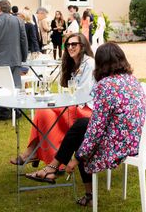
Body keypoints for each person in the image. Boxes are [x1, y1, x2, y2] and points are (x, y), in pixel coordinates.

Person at [26, 42, 146, 207]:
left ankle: (67, 178)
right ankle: (53, 167)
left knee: (84, 137)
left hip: (120, 145)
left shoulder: (105, 86)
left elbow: (96, 131)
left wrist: (77, 158)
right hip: (136, 139)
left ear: (100, 63)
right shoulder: (132, 80)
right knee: (82, 124)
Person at [10, 33, 95, 166]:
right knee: (44, 112)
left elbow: (83, 94)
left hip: (87, 110)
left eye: (74, 44)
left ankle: (33, 152)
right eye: (68, 45)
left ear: (83, 46)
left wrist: (63, 100)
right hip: (76, 105)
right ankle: (40, 154)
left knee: (47, 111)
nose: (70, 47)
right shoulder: (74, 63)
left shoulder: (89, 63)